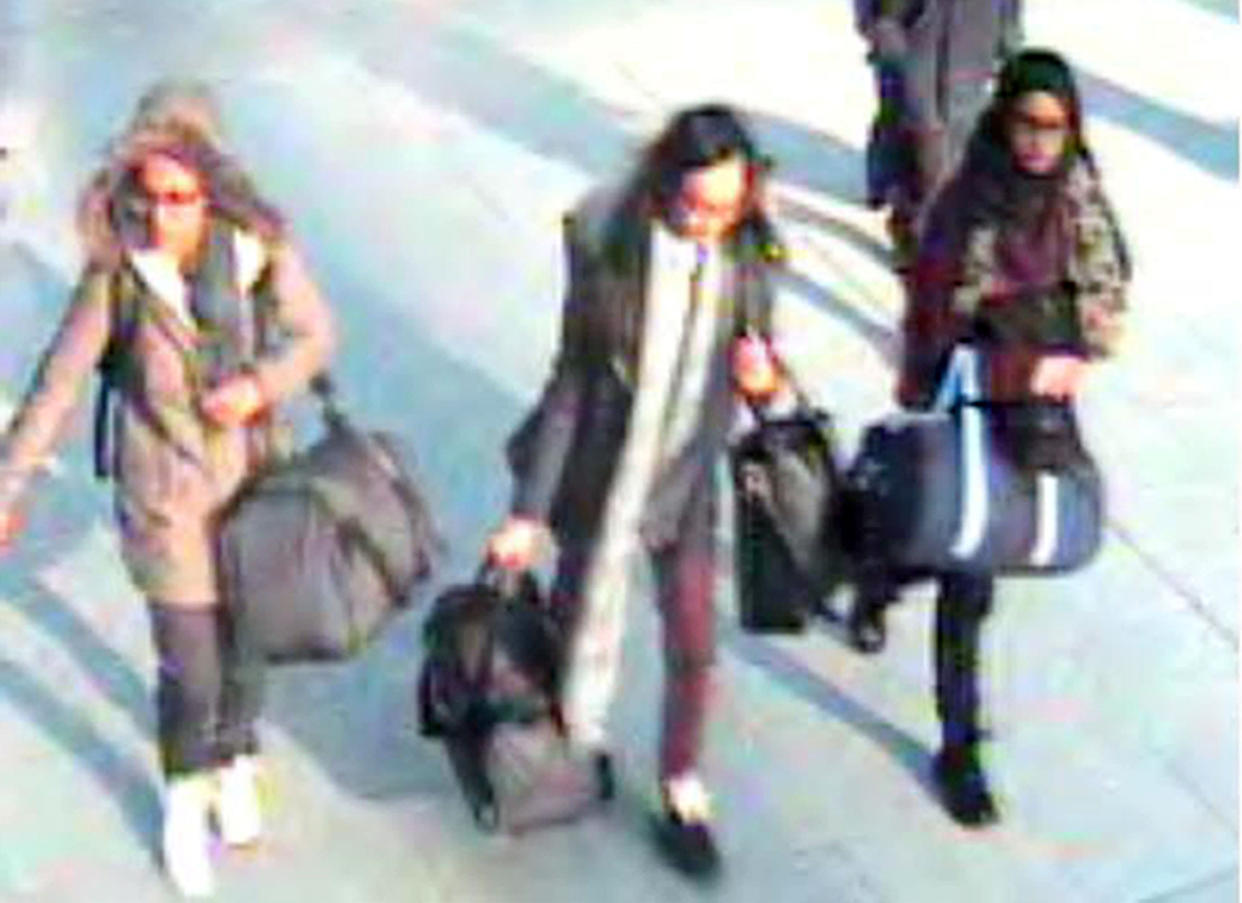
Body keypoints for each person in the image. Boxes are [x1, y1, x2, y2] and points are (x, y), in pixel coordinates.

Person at [0, 81, 335, 897]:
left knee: (247, 649)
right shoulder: (117, 274)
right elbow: (56, 385)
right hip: (164, 499)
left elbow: (316, 335)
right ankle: (185, 800)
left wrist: (259, 385)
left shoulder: (258, 252)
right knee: (193, 666)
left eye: (181, 199)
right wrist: (10, 484)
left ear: (212, 190)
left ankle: (234, 752)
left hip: (254, 487)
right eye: (147, 198)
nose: (162, 218)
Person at [490, 104, 787, 881]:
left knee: (694, 646)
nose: (707, 223)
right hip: (604, 478)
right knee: (574, 618)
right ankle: (574, 750)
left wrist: (765, 383)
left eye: (725, 207)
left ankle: (681, 784)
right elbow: (570, 386)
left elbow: (764, 372)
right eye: (694, 205)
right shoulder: (612, 255)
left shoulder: (750, 254)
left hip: (685, 488)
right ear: (663, 186)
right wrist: (527, 513)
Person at [847, 49, 1129, 826]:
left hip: (1038, 414)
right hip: (968, 400)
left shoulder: (1079, 200)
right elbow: (935, 317)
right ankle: (959, 743)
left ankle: (879, 578)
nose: (1040, 141)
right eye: (1027, 123)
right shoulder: (965, 203)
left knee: (979, 554)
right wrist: (1003, 362)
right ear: (1002, 120)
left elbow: (1109, 298)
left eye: (1056, 126)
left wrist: (1077, 351)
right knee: (962, 563)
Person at [855, 0, 1024, 267]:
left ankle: (937, 218)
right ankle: (914, 222)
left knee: (959, 127)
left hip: (974, 31)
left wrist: (1009, 30)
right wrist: (876, 23)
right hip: (909, 26)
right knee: (917, 122)